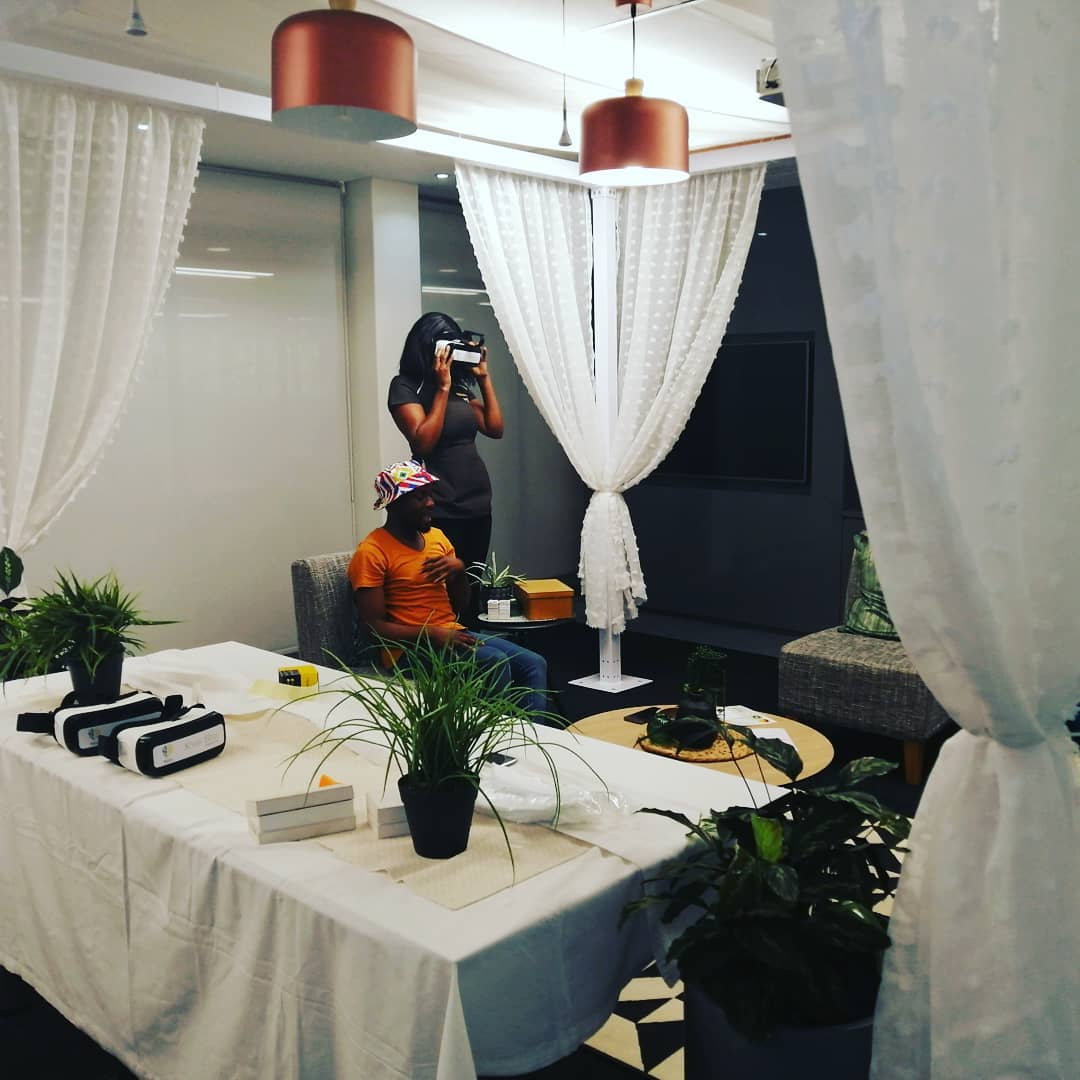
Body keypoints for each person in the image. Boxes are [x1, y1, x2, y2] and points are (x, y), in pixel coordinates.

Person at [347, 460, 548, 715]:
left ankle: (527, 736)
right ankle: (489, 739)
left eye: (430, 495)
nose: (431, 503)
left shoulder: (437, 538)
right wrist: (432, 634)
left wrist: (458, 572)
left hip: (451, 633)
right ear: (395, 504)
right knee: (494, 663)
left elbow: (460, 606)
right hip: (407, 652)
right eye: (420, 497)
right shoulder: (372, 552)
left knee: (534, 664)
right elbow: (373, 629)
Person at [387, 312, 503, 576]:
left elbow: (495, 428)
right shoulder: (405, 386)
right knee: (442, 586)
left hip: (477, 502)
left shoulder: (458, 388)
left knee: (471, 582)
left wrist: (483, 378)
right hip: (440, 506)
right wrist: (441, 389)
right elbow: (423, 443)